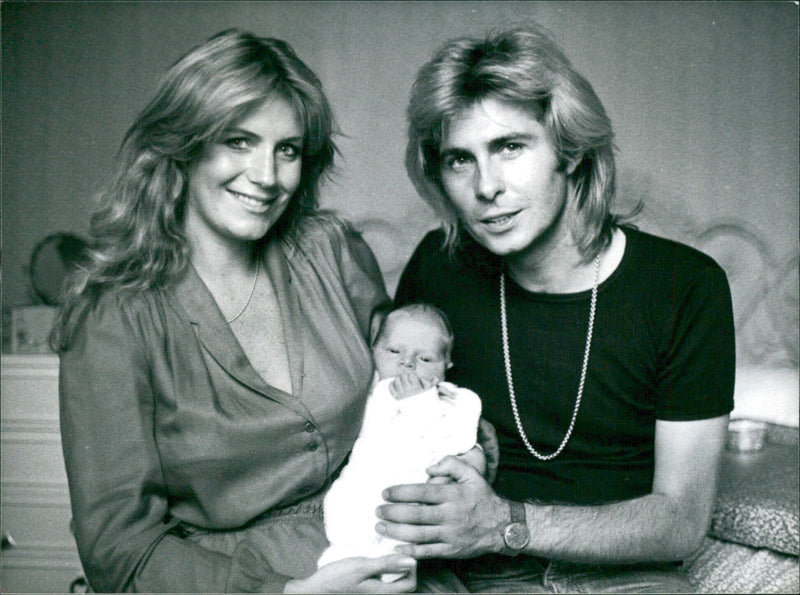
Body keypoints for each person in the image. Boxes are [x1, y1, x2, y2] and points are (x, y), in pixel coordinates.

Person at [54, 29, 419, 593]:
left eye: (287, 149)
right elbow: (118, 551)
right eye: (239, 141)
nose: (268, 176)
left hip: (389, 556)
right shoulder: (113, 314)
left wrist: (463, 460)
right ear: (185, 142)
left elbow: (411, 388)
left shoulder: (332, 252)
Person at [380, 24, 735, 593]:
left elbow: (682, 521)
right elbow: (394, 425)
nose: (486, 186)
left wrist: (506, 525)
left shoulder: (685, 286)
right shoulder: (438, 268)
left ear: (569, 151)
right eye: (459, 160)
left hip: (624, 577)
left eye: (510, 147)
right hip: (466, 571)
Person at [318, 304, 483, 578]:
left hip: (412, 499)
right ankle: (344, 558)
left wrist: (420, 403)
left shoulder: (455, 401)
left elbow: (455, 445)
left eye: (426, 359)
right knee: (340, 510)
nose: (407, 363)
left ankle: (392, 568)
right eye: (394, 351)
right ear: (371, 351)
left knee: (402, 538)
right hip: (359, 486)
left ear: (447, 366)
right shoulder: (364, 391)